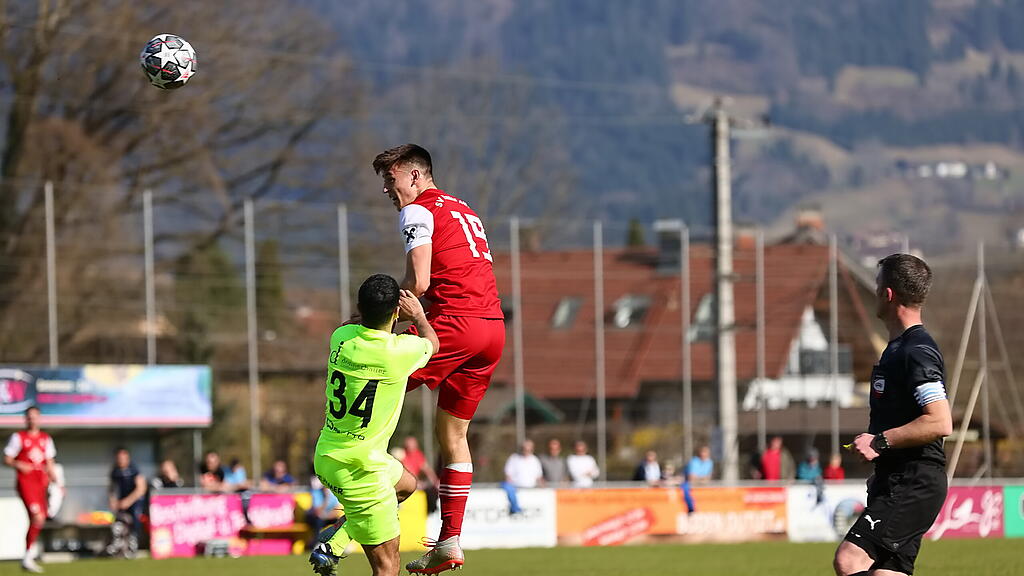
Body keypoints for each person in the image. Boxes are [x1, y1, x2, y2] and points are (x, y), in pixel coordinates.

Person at [373, 144, 505, 574]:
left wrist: (376, 318)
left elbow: (419, 281)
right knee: (452, 433)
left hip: (455, 324)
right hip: (491, 328)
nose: (389, 192)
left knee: (371, 381)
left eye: (391, 181)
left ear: (413, 176)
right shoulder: (464, 208)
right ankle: (449, 541)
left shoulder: (417, 211)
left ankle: (365, 487)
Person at [309, 274, 438, 576]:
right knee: (387, 568)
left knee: (407, 486)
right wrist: (418, 314)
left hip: (330, 454)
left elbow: (353, 323)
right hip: (360, 469)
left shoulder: (341, 338)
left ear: (358, 307)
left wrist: (381, 311)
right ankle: (335, 542)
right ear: (396, 312)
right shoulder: (398, 352)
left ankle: (335, 542)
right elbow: (432, 342)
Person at [833, 254, 952, 576]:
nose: (874, 292)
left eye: (876, 285)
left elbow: (940, 421)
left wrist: (881, 441)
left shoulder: (916, 351)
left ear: (888, 294)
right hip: (898, 478)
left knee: (849, 560)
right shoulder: (899, 348)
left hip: (913, 480)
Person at [3, 406, 57, 573]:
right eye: (29, 417)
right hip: (26, 482)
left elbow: (49, 461)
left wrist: (56, 480)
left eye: (35, 417)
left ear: (39, 418)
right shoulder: (18, 437)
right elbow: (7, 458)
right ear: (25, 419)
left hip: (41, 482)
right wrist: (19, 464)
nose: (32, 419)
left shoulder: (45, 439)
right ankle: (28, 557)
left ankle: (28, 556)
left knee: (38, 520)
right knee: (37, 516)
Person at [106, 447, 147, 558]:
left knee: (134, 520)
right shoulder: (115, 471)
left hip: (134, 501)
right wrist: (112, 500)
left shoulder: (134, 470)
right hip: (121, 501)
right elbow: (112, 488)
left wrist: (128, 501)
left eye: (123, 458)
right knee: (118, 522)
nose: (121, 460)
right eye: (119, 458)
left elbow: (141, 488)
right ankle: (117, 545)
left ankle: (132, 545)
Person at [501, 439, 544, 515]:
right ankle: (515, 508)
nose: (526, 451)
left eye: (528, 449)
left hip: (530, 491)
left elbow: (539, 477)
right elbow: (508, 475)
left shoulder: (535, 460)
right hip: (515, 490)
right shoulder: (514, 458)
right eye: (525, 449)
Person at [682, 445, 713, 514]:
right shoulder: (694, 462)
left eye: (706, 453)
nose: (704, 455)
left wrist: (699, 478)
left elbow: (708, 477)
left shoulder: (709, 462)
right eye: (703, 452)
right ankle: (691, 509)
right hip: (686, 484)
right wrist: (702, 478)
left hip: (700, 486)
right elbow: (691, 478)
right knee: (687, 493)